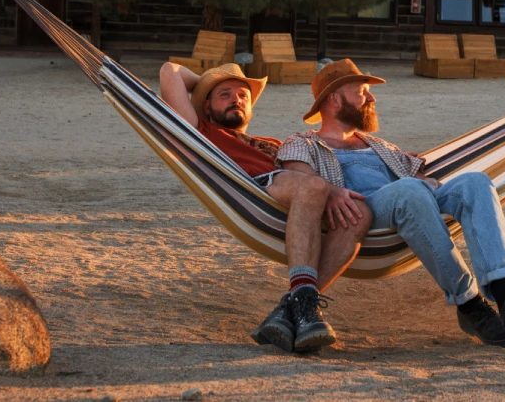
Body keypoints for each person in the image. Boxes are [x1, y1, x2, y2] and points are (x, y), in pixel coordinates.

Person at [276, 59, 505, 347]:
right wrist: (334, 191)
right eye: (362, 91)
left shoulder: (380, 145)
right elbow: (303, 183)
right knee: (410, 190)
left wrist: (435, 187)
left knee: (475, 181)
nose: (371, 98)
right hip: (368, 212)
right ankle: (469, 303)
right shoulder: (303, 143)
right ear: (334, 100)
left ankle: (504, 288)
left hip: (413, 201)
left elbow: (422, 179)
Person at [159, 62, 371, 352]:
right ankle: (307, 309)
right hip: (259, 189)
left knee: (358, 214)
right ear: (206, 107)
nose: (237, 98)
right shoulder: (201, 131)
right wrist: (206, 82)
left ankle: (291, 309)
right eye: (225, 94)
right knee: (313, 186)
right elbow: (169, 71)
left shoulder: (273, 143)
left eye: (243, 95)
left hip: (304, 199)